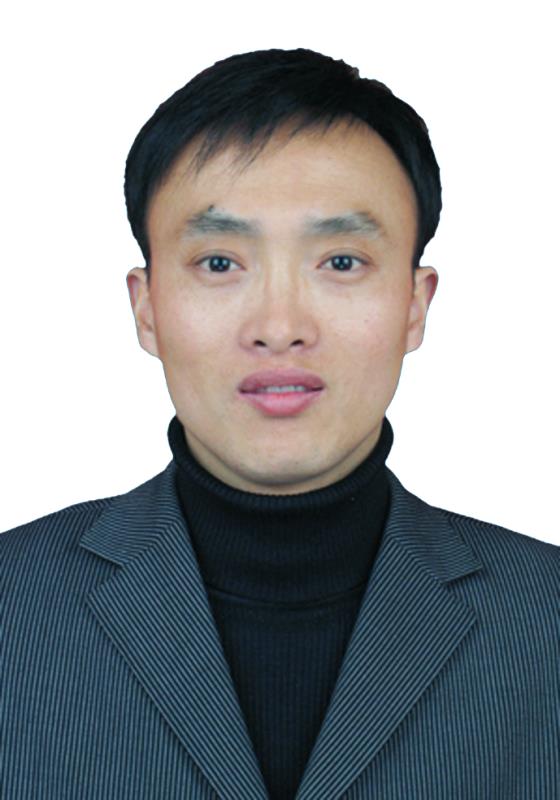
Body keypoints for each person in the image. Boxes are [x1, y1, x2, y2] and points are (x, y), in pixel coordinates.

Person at [1, 48, 558, 800]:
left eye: (342, 262)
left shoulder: (546, 619)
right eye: (219, 264)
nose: (279, 326)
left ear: (415, 305)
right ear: (146, 307)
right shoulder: (12, 606)